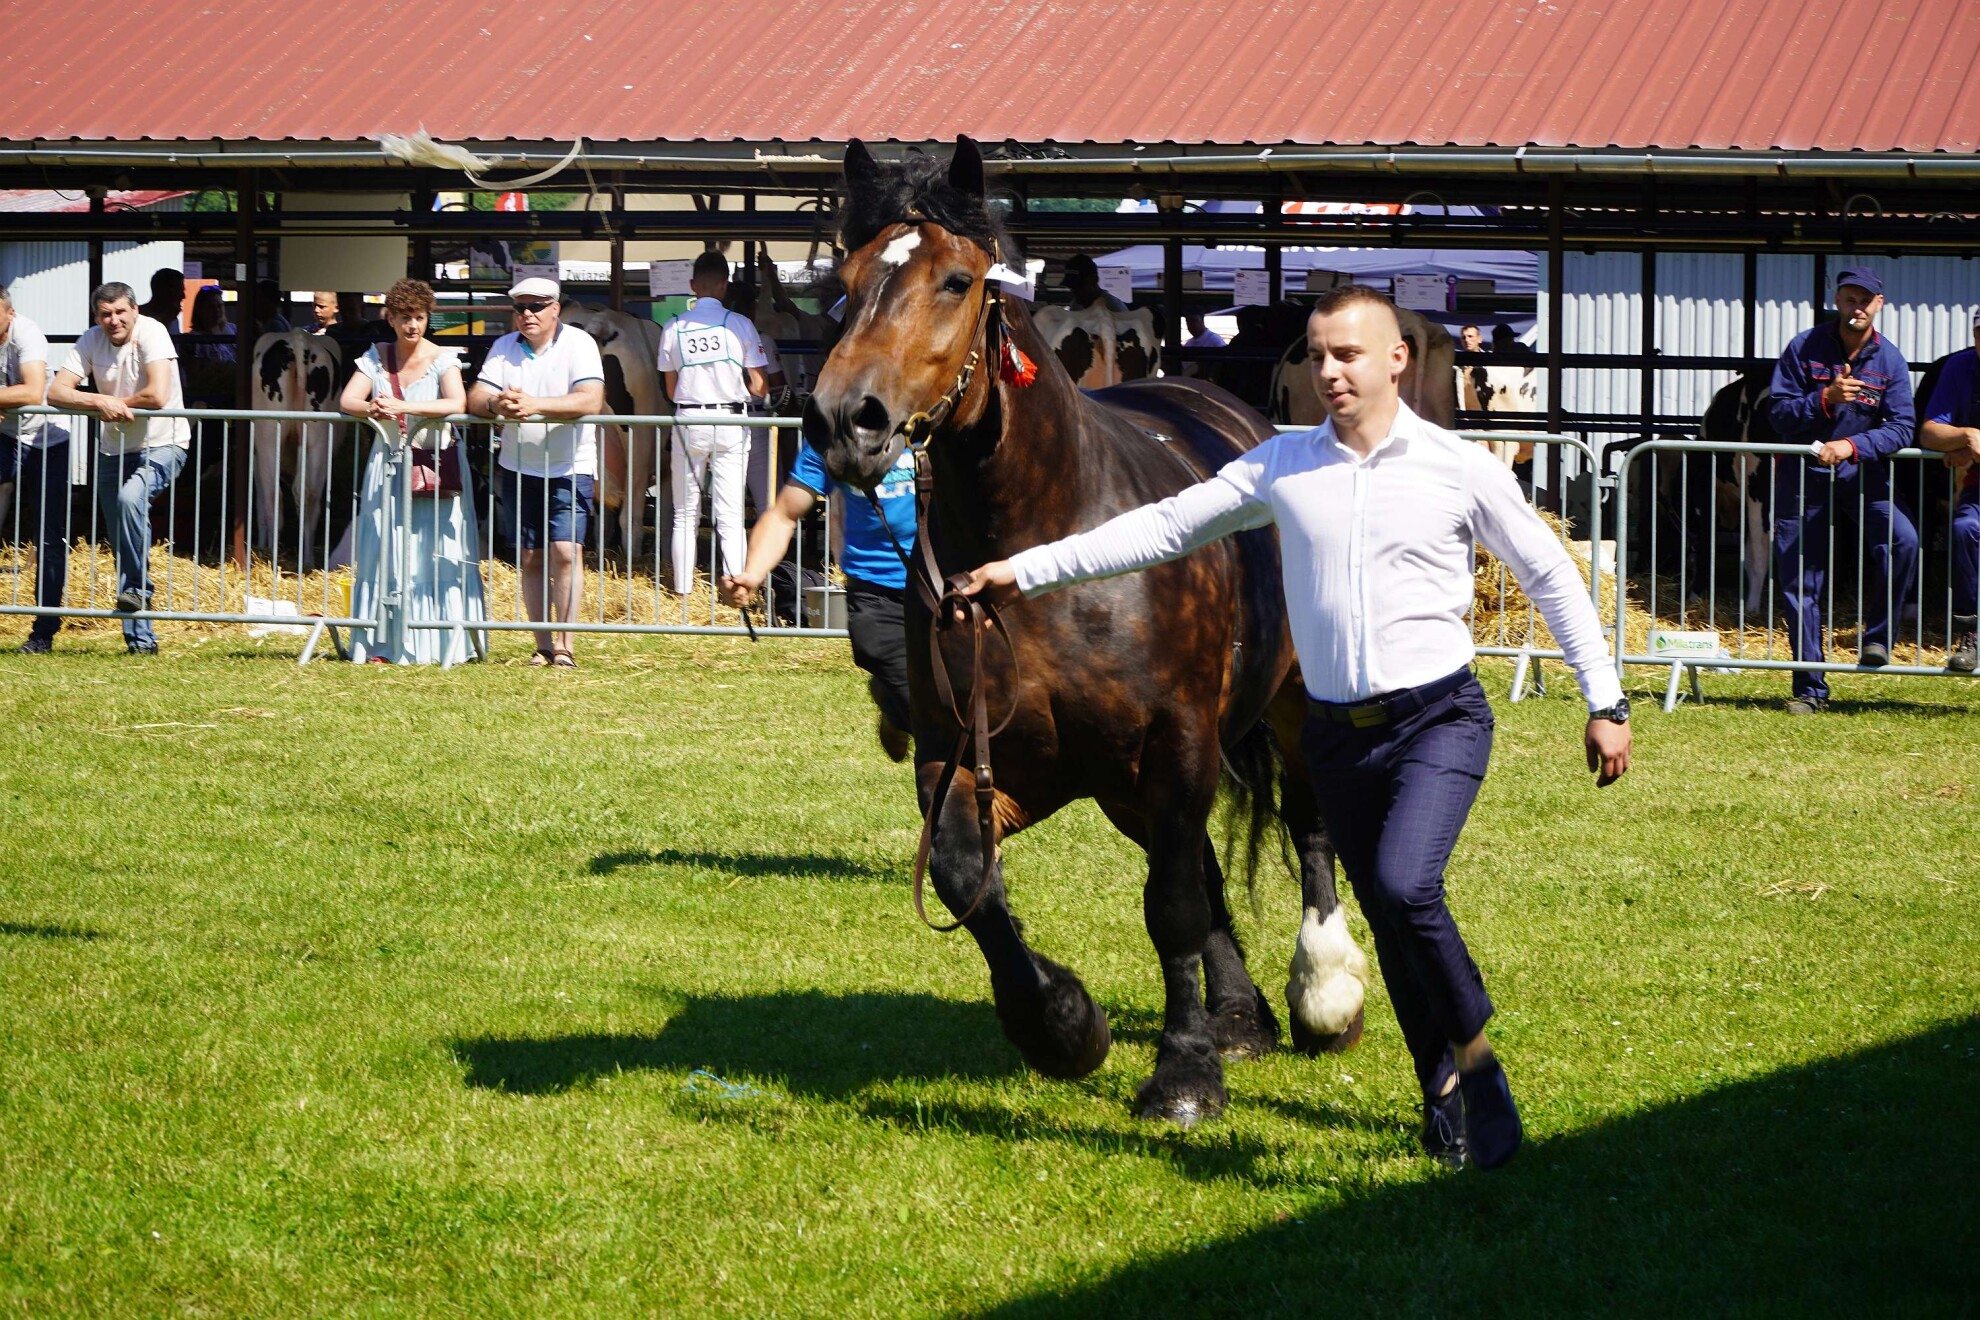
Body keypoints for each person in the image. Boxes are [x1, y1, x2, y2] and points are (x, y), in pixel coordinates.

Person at [958, 285, 1631, 1171]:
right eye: (1318, 356)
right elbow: (1163, 528)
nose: (1329, 372)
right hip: (1337, 738)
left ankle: (1478, 1063)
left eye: (1348, 354)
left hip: (1437, 721)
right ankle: (1440, 1088)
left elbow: (1548, 574)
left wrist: (1605, 701)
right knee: (1388, 916)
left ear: (1399, 359)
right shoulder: (1283, 464)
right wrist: (1027, 569)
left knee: (1405, 888)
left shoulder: (1458, 467)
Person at [1767, 266, 1918, 713]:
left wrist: (1852, 446)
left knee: (1903, 540)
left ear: (1879, 304)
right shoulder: (1804, 347)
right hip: (1803, 474)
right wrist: (1824, 400)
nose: (1857, 307)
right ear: (1837, 300)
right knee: (1801, 579)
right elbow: (1778, 414)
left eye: (1865, 300)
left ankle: (1878, 640)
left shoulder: (1890, 360)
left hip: (1862, 473)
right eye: (1850, 298)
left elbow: (1903, 427)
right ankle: (1810, 690)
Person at [719, 434, 915, 759]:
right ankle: (897, 705)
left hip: (942, 585)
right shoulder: (835, 434)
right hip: (874, 594)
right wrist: (752, 573)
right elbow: (784, 513)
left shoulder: (935, 420)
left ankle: (894, 703)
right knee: (935, 717)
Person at [338, 278, 486, 665]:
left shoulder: (443, 357)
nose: (412, 325)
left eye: (419, 317)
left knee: (434, 551)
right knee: (384, 546)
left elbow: (456, 402)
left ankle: (441, 643)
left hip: (433, 466)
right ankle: (382, 644)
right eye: (405, 317)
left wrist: (403, 408)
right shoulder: (376, 355)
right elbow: (347, 399)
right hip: (386, 464)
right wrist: (371, 408)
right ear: (390, 318)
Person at [468, 276, 605, 668]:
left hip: (570, 465)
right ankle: (542, 645)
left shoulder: (580, 343)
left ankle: (565, 646)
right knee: (530, 557)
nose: (527, 314)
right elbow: (475, 395)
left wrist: (534, 404)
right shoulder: (503, 347)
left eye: (536, 306)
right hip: (518, 466)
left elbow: (591, 399)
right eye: (520, 307)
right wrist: (496, 404)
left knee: (566, 552)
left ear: (555, 309)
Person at [47, 281, 190, 655]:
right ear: (97, 317)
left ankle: (141, 589)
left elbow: (157, 395)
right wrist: (100, 401)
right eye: (105, 314)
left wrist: (115, 404)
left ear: (135, 310)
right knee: (123, 537)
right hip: (114, 450)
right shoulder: (91, 339)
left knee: (130, 500)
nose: (113, 320)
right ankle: (141, 642)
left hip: (164, 442)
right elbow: (56, 391)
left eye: (120, 312)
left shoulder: (153, 333)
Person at [657, 250, 768, 595]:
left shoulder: (673, 326)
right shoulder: (741, 324)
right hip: (730, 420)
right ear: (724, 286)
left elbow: (670, 389)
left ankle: (682, 592)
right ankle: (736, 589)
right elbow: (760, 385)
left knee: (684, 513)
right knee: (730, 514)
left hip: (689, 419)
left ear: (693, 285)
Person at [0, 286, 73, 654]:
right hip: (7, 435)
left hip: (48, 441)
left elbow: (31, 392)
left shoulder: (27, 333)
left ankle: (43, 633)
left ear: (10, 313)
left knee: (49, 537)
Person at [1917, 306, 1980, 673]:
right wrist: (1965, 437)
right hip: (1976, 487)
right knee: (1964, 528)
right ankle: (1970, 633)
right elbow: (1929, 433)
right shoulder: (1959, 367)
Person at [1061, 254, 1128, 313]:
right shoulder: (1076, 306)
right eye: (1071, 287)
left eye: (1079, 286)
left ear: (1094, 280)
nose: (1074, 291)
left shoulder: (1113, 309)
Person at [1180, 310, 1225, 378]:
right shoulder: (1188, 344)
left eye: (1194, 321)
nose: (1191, 325)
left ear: (1202, 321)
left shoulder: (1214, 340)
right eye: (1188, 322)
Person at [140, 268, 185, 335]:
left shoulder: (173, 319)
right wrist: (167, 319)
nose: (183, 296)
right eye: (179, 290)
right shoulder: (138, 317)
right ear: (164, 291)